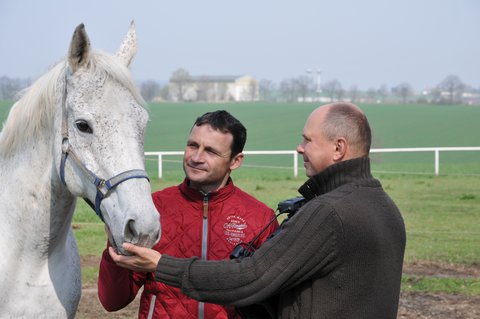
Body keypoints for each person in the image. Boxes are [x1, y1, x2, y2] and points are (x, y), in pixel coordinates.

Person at [108, 102, 407, 319]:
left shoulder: (328, 213)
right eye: (192, 145)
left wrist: (162, 265)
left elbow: (252, 278)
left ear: (338, 149)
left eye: (307, 139)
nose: (299, 148)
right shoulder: (385, 207)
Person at [98, 110, 279, 318]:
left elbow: (269, 298)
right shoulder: (152, 208)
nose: (196, 157)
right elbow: (113, 300)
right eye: (193, 145)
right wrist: (115, 245)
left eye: (211, 151)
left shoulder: (261, 218)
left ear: (235, 161)